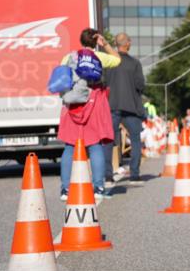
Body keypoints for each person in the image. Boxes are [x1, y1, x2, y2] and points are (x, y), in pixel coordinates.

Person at [58, 28, 121, 201]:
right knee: (95, 145)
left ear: (81, 41)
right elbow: (117, 59)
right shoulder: (99, 57)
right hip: (94, 103)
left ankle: (65, 190)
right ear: (95, 41)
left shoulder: (69, 57)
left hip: (73, 104)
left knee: (70, 146)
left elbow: (62, 78)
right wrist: (105, 44)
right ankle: (98, 187)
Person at [104, 32, 145, 186]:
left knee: (108, 140)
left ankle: (108, 175)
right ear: (127, 43)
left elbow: (104, 82)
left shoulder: (109, 62)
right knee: (135, 139)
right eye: (130, 40)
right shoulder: (134, 63)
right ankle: (134, 174)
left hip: (112, 105)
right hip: (131, 107)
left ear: (116, 44)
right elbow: (140, 85)